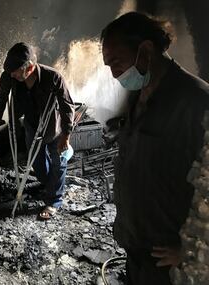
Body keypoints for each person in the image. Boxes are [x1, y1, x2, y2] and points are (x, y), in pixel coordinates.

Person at [100, 12, 209, 284]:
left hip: (170, 261)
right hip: (138, 248)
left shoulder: (197, 102)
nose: (114, 74)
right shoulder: (140, 95)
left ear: (146, 50)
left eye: (116, 62)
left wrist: (192, 250)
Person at [0, 42, 75, 220]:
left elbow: (67, 106)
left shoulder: (53, 77)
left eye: (16, 71)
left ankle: (53, 201)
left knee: (58, 161)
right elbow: (0, 102)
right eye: (10, 71)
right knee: (40, 167)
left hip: (53, 126)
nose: (12, 75)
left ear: (30, 68)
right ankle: (52, 184)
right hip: (32, 126)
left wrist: (66, 136)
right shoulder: (9, 77)